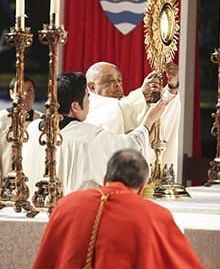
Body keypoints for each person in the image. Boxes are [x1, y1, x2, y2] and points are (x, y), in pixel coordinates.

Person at [32, 149, 204, 269]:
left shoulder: (66, 205)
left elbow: (46, 261)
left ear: (105, 177)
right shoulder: (155, 216)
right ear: (143, 186)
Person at [23, 72, 167, 196]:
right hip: (74, 217)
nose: (90, 102)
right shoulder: (88, 136)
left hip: (34, 215)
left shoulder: (33, 129)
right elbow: (129, 151)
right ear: (75, 106)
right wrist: (149, 121)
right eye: (87, 97)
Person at [85, 61, 180, 168]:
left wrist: (172, 88)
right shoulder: (89, 107)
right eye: (109, 81)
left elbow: (159, 113)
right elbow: (117, 110)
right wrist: (141, 94)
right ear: (92, 87)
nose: (117, 84)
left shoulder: (131, 104)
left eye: (119, 80)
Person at [0, 76, 42, 180]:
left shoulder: (41, 120)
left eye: (29, 90)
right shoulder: (2, 118)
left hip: (32, 179)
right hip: (5, 179)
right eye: (20, 90)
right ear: (11, 94)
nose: (25, 94)